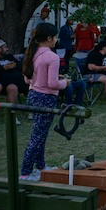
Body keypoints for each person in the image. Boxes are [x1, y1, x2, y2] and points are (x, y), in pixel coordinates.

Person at [20, 23, 68, 180]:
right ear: (49, 38)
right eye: (55, 36)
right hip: (46, 98)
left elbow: (27, 79)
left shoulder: (31, 53)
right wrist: (65, 82)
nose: (56, 39)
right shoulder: (52, 57)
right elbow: (53, 84)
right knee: (37, 137)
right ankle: (26, 173)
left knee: (40, 135)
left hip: (33, 95)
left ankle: (40, 167)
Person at [0, 39, 28, 103]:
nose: (7, 49)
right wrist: (4, 68)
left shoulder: (9, 56)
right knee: (12, 88)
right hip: (4, 82)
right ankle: (12, 111)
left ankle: (35, 106)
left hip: (18, 80)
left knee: (31, 82)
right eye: (5, 47)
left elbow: (20, 67)